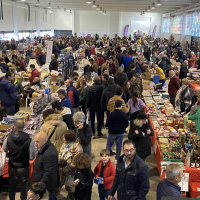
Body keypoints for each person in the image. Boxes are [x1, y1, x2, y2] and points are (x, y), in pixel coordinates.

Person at [2, 119, 35, 200]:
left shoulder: (8, 138)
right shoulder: (30, 140)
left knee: (12, 186)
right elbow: (31, 157)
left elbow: (3, 149)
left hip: (12, 167)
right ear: (24, 127)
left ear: (14, 127)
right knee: (24, 187)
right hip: (23, 167)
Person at [33, 131, 58, 200]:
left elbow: (48, 172)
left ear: (45, 141)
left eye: (38, 142)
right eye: (35, 141)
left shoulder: (49, 154)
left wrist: (39, 186)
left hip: (46, 185)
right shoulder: (45, 147)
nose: (35, 144)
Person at [58, 130, 83, 199]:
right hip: (62, 169)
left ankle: (71, 197)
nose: (63, 139)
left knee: (70, 187)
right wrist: (59, 161)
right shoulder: (65, 144)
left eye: (64, 138)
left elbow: (75, 163)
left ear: (69, 139)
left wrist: (63, 170)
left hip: (71, 172)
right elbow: (60, 153)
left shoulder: (78, 148)